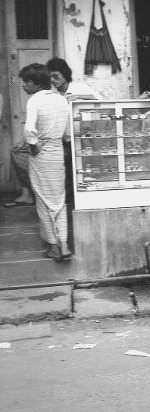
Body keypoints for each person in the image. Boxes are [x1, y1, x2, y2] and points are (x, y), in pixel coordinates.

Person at [5, 58, 97, 208]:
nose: (53, 80)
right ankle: (27, 193)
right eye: (51, 77)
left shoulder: (79, 88)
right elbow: (41, 122)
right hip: (57, 140)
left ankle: (64, 197)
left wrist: (78, 98)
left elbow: (101, 101)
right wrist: (27, 141)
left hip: (78, 140)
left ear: (65, 74)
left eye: (56, 76)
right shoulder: (51, 94)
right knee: (17, 152)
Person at [19, 64, 72, 261]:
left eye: (27, 82)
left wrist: (34, 146)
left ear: (36, 83)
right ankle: (64, 244)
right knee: (58, 199)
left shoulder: (34, 100)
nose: (24, 85)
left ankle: (54, 246)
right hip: (57, 152)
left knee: (43, 200)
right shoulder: (61, 99)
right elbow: (68, 133)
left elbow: (29, 130)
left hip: (41, 154)